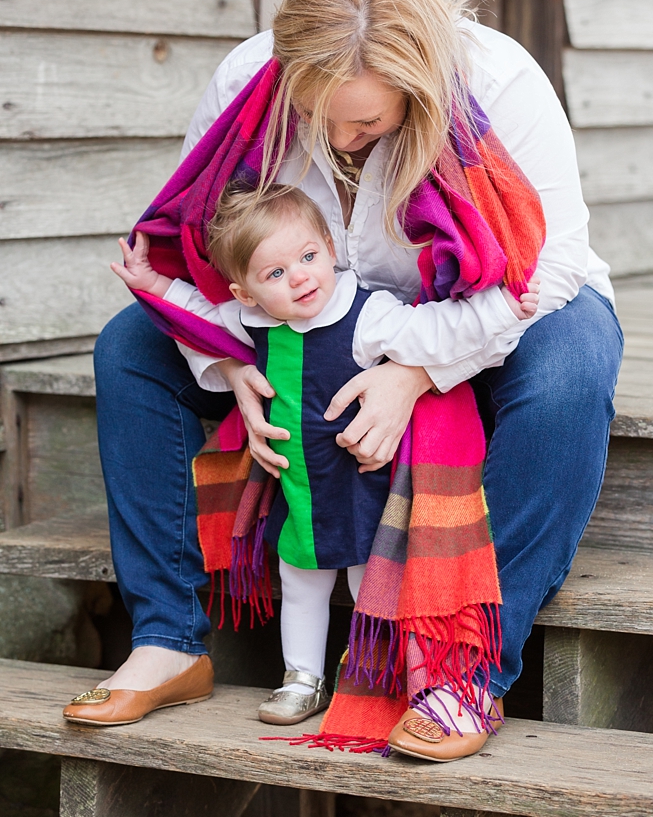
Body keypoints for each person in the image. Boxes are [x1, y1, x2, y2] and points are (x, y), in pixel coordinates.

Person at [63, 0, 622, 761]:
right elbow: (214, 245)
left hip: (478, 316)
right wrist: (229, 367)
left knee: (571, 365)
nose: (339, 139)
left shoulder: (499, 82)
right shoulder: (247, 81)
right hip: (294, 324)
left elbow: (549, 269)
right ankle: (169, 637)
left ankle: (463, 667)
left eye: (365, 123)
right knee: (129, 346)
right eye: (316, 115)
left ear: (417, 81)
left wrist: (415, 375)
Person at [105, 179, 542, 726]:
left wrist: (505, 307)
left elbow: (437, 329)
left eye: (309, 256)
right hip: (301, 489)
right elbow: (197, 315)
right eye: (276, 274)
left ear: (331, 251)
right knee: (300, 583)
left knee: (371, 584)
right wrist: (150, 282)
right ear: (246, 292)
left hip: (363, 483)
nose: (301, 277)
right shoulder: (255, 322)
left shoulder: (367, 315)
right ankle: (301, 678)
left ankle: (373, 675)